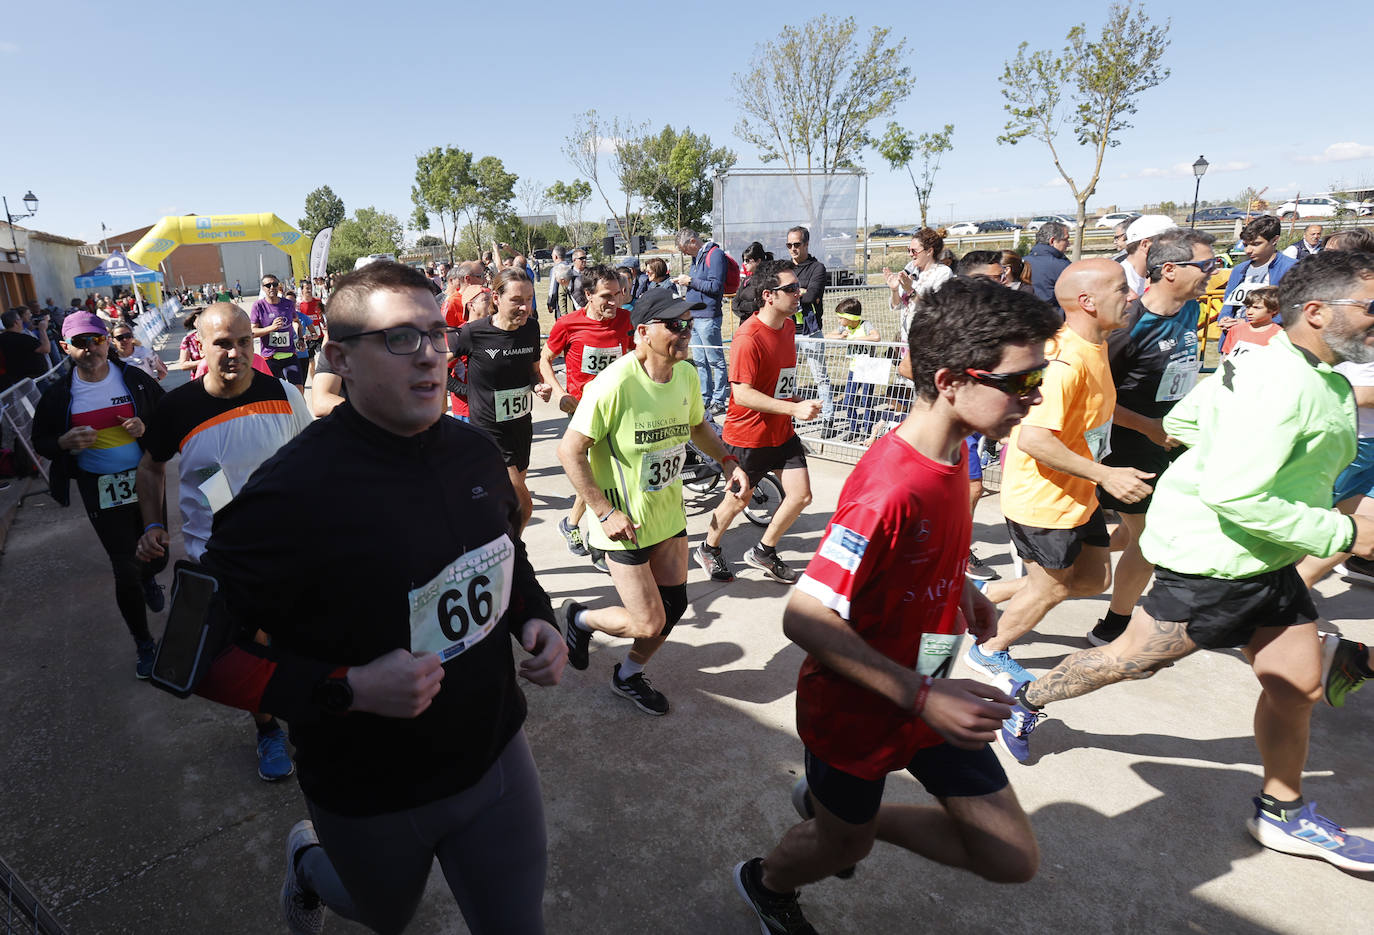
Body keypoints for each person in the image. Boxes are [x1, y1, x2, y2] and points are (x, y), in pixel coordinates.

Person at [187, 261, 565, 934]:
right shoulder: (289, 491)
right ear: (340, 358)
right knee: (381, 914)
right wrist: (348, 687)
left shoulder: (477, 454)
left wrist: (535, 617)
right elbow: (188, 651)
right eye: (398, 339)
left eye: (436, 334)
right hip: (370, 788)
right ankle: (308, 862)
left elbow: (505, 550)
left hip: (495, 752)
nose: (428, 355)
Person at [996, 249, 1374, 874]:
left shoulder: (1273, 363)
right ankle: (1026, 698)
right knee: (1125, 663)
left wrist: (1212, 455)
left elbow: (1190, 418)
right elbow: (1237, 493)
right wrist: (1343, 530)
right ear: (1315, 312)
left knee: (1298, 684)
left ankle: (1283, 811)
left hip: (1264, 558)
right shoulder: (1278, 382)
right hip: (1214, 566)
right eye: (1369, 307)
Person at [733, 278, 1059, 935]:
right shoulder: (890, 486)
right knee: (840, 848)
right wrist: (921, 696)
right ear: (949, 379)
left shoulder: (955, 454)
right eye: (1021, 382)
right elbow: (804, 614)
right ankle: (766, 883)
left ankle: (838, 816)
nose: (1036, 396)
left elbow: (917, 551)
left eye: (1039, 377)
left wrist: (960, 589)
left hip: (928, 690)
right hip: (860, 712)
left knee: (1011, 856)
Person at [134, 302, 314, 782]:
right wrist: (154, 527)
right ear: (201, 345)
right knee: (251, 650)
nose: (234, 353)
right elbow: (150, 468)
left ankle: (310, 724)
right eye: (222, 343)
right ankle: (268, 728)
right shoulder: (178, 407)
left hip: (288, 553)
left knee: (299, 643)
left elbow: (316, 463)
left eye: (243, 342)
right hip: (219, 560)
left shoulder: (286, 395)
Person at [556, 288, 750, 716]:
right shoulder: (615, 383)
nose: (687, 331)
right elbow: (569, 450)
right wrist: (603, 512)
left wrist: (726, 460)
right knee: (647, 622)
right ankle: (579, 620)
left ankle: (627, 675)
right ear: (643, 332)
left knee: (674, 607)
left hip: (667, 515)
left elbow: (697, 425)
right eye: (675, 324)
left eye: (689, 323)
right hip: (621, 526)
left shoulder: (686, 375)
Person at [966, 260, 1146, 685]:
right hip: (1043, 500)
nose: (1132, 296)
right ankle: (988, 650)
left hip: (1078, 493)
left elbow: (1095, 407)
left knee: (1094, 578)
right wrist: (1106, 475)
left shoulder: (1095, 344)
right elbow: (1033, 439)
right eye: (1122, 289)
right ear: (1087, 301)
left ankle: (986, 596)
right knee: (1050, 588)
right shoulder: (1063, 362)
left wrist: (1150, 427)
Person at [1088, 229, 1215, 646]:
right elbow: (1095, 399)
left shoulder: (1190, 312)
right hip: (1130, 445)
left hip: (1173, 440)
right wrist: (1148, 428)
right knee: (1150, 536)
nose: (1214, 273)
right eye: (1206, 265)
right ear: (1171, 270)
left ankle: (1080, 562)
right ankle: (1115, 622)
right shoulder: (1128, 325)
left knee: (1132, 534)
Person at [31, 311, 167, 678]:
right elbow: (39, 439)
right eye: (80, 342)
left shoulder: (133, 379)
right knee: (124, 567)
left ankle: (150, 575)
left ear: (107, 341)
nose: (91, 348)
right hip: (98, 485)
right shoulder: (60, 395)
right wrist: (62, 441)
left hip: (145, 478)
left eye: (97, 340)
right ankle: (143, 643)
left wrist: (146, 425)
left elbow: (165, 413)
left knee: (156, 554)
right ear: (65, 348)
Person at [696, 260, 822, 584]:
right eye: (791, 289)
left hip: (780, 430)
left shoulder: (790, 326)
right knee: (737, 501)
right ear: (768, 295)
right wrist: (792, 409)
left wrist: (791, 403)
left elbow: (778, 382)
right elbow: (744, 394)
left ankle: (764, 551)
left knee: (801, 495)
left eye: (798, 287)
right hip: (749, 434)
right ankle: (709, 547)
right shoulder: (748, 337)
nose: (799, 293)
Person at [538, 265, 634, 559]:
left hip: (619, 405)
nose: (614, 302)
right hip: (582, 408)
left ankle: (573, 523)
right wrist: (560, 392)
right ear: (589, 295)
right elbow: (545, 360)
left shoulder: (626, 320)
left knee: (605, 472)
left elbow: (632, 356)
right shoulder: (568, 324)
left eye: (618, 295)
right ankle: (595, 534)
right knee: (593, 470)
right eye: (606, 296)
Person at [448, 269, 551, 532]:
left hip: (521, 425)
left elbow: (533, 371)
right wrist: (464, 389)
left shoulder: (531, 328)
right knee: (523, 506)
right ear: (496, 298)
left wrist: (539, 386)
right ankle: (513, 558)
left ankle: (492, 547)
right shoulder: (474, 332)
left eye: (528, 299)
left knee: (506, 504)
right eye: (517, 299)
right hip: (488, 430)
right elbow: (435, 367)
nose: (525, 306)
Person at [674, 227, 730, 414]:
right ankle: (705, 397)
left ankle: (719, 400)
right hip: (694, 317)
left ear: (692, 242)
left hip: (708, 317)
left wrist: (690, 281)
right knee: (700, 361)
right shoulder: (696, 258)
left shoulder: (715, 255)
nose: (684, 253)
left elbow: (715, 286)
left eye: (684, 249)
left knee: (715, 360)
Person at [787, 227, 835, 435]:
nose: (793, 249)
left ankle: (828, 418)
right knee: (789, 376)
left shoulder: (817, 268)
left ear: (806, 244)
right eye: (789, 245)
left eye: (797, 244)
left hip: (810, 331)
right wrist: (801, 291)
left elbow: (810, 296)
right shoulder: (785, 268)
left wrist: (794, 292)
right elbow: (798, 294)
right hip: (787, 331)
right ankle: (791, 416)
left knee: (820, 377)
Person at [1217, 215, 1297, 328]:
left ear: (1274, 240)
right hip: (1236, 336)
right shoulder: (1239, 270)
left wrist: (1250, 323)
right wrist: (1224, 319)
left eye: (1256, 244)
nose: (1248, 250)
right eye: (1245, 245)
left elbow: (1292, 310)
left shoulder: (1292, 268)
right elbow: (1228, 304)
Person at [828, 296, 882, 443]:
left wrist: (856, 339)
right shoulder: (845, 328)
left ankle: (867, 429)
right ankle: (853, 429)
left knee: (866, 400)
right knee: (848, 400)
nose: (839, 321)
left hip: (868, 369)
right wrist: (841, 336)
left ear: (850, 317)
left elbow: (876, 337)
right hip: (854, 369)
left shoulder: (865, 325)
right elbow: (828, 335)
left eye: (840, 318)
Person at [886, 228, 954, 343]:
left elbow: (934, 308)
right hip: (907, 339)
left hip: (929, 341)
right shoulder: (910, 271)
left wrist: (910, 291)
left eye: (914, 251)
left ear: (929, 251)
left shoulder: (943, 273)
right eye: (908, 250)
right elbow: (896, 306)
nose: (910, 254)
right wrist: (894, 290)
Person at [249, 275, 304, 391]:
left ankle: (297, 409)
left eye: (274, 284)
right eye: (268, 285)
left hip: (290, 354)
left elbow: (296, 322)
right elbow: (252, 332)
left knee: (298, 390)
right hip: (270, 358)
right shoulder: (258, 306)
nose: (271, 287)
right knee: (278, 393)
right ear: (263, 288)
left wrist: (300, 339)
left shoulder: (288, 304)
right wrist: (271, 328)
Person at [1118, 215, 1175, 300]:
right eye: (1172, 243)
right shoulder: (1120, 281)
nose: (1178, 249)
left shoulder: (1153, 277)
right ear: (1145, 245)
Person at [1220, 286, 1282, 358]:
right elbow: (1226, 357)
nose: (1249, 312)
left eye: (1257, 308)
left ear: (1273, 310)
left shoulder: (1279, 335)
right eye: (1248, 307)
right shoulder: (1236, 330)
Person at [0, 307, 52, 390]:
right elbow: (46, 349)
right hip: (34, 381)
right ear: (16, 322)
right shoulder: (23, 338)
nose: (22, 321)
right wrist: (42, 330)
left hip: (17, 380)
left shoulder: (2, 338)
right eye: (20, 319)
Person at [1024, 222, 1072, 305]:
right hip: (1055, 316)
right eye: (1066, 239)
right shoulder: (1062, 266)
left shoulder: (1022, 262)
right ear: (1052, 241)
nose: (1068, 244)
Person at [730, 242, 770, 321]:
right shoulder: (746, 280)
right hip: (745, 323)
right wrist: (745, 309)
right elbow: (735, 303)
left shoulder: (768, 280)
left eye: (747, 260)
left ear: (758, 261)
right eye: (743, 260)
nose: (744, 263)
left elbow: (761, 305)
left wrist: (744, 306)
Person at [297, 280, 325, 385]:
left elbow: (324, 316)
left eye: (310, 288)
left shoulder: (318, 301)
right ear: (302, 290)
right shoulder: (299, 305)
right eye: (307, 288)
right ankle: (315, 384)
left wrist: (324, 322)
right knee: (311, 363)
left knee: (322, 359)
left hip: (319, 336)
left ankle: (323, 381)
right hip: (307, 338)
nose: (309, 290)